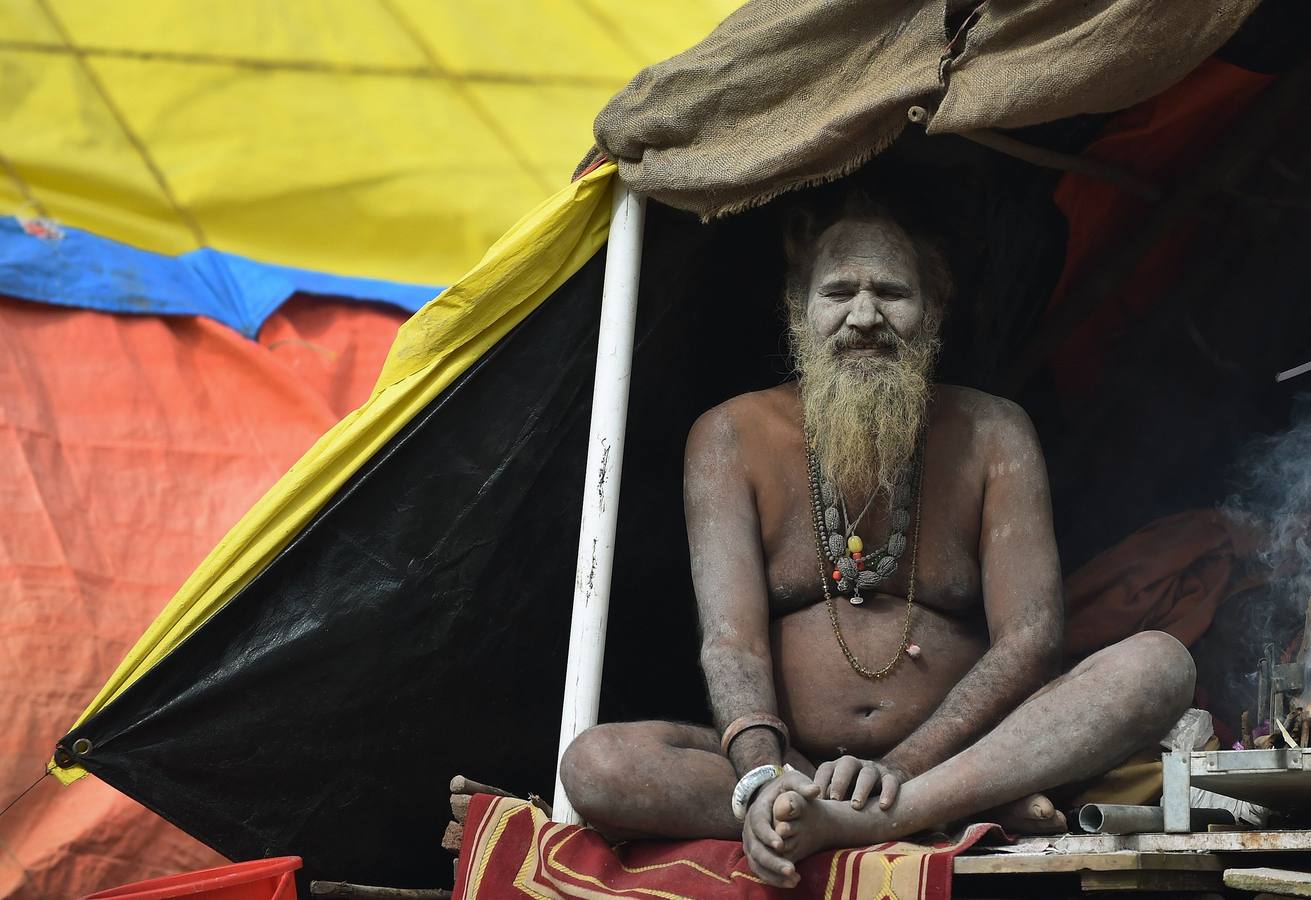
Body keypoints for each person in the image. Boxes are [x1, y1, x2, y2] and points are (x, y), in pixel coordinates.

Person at [558, 191, 1195, 889]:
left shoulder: (993, 432)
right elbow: (730, 643)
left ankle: (885, 814)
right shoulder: (729, 436)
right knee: (597, 765)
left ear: (932, 311)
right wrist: (766, 779)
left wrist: (895, 775)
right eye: (838, 293)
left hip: (962, 756)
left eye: (891, 293)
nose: (864, 317)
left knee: (1157, 665)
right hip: (793, 764)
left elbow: (1030, 639)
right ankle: (867, 811)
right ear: (799, 311)